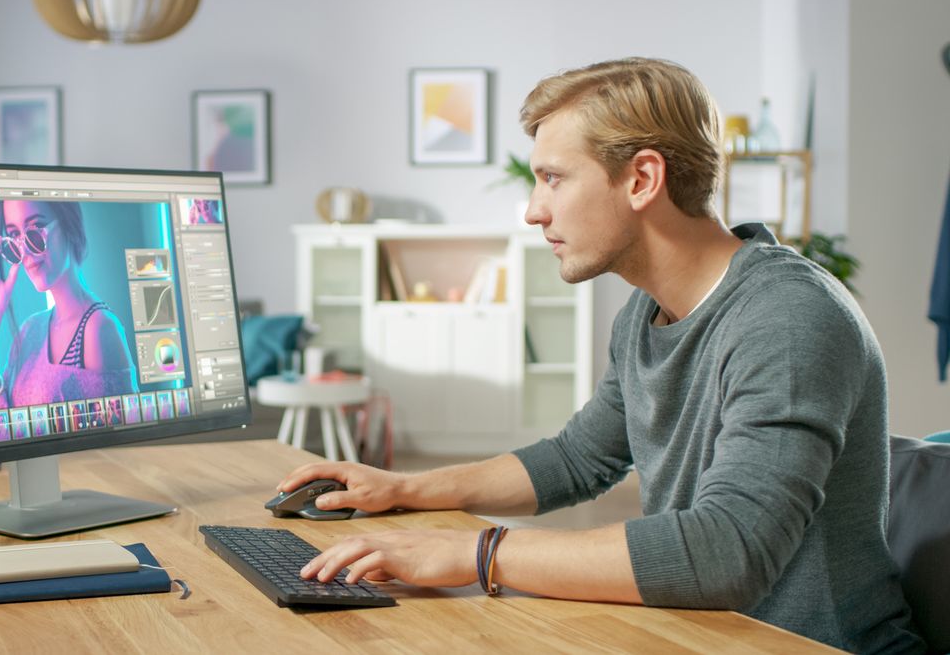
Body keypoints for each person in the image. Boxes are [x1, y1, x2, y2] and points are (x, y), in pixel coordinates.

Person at [277, 58, 923, 653]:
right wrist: (403, 488)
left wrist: (477, 552)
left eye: (553, 177)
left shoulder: (786, 318)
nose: (533, 209)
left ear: (642, 178)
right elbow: (577, 459)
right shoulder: (643, 313)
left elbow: (730, 550)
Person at [0, 200, 137, 412]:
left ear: (67, 223)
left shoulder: (98, 329)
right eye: (15, 236)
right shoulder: (29, 331)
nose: (25, 250)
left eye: (35, 229)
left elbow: (117, 438)